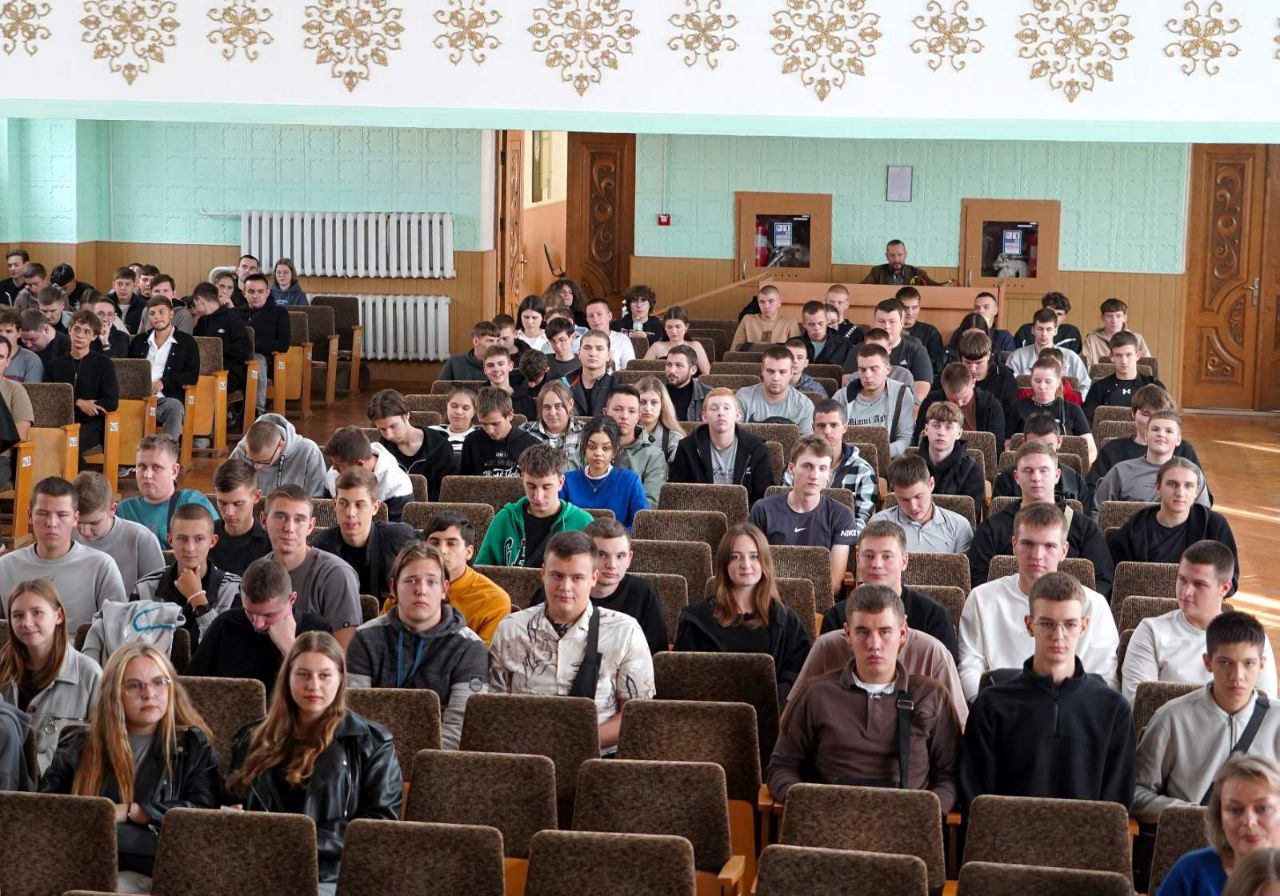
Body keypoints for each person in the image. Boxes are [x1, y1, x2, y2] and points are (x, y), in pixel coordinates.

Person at [227, 632, 402, 892]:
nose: (313, 685)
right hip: (257, 869)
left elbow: (377, 829)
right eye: (303, 674)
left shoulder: (372, 743)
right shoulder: (250, 738)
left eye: (324, 675)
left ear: (340, 679)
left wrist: (289, 841)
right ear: (287, 677)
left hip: (330, 875)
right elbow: (230, 802)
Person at [39, 644, 218, 892]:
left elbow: (205, 815)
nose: (149, 694)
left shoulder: (192, 745)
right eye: (134, 685)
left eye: (159, 682)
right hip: (87, 867)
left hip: (161, 873)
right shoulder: (77, 745)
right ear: (115, 693)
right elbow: (45, 813)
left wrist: (135, 811)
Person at [767, 583, 959, 806]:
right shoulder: (816, 694)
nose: (874, 645)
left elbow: (950, 777)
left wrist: (925, 814)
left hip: (908, 821)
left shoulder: (932, 696)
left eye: (885, 632)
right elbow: (781, 768)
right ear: (848, 634)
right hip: (827, 819)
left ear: (902, 633)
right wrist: (810, 806)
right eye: (863, 632)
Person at [959, 571, 1133, 805]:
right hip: (1007, 829)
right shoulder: (991, 705)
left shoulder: (1113, 709)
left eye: (1069, 624)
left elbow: (1116, 808)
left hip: (1087, 830)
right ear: (1030, 625)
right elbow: (977, 802)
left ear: (1084, 626)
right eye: (1047, 624)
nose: (1058, 636)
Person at [489, 530, 655, 750]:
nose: (565, 587)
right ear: (543, 574)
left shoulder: (626, 631)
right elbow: (493, 707)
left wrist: (575, 744)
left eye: (577, 578)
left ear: (594, 578)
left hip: (598, 757)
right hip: (524, 754)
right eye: (557, 576)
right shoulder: (510, 629)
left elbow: (637, 713)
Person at [958, 504, 1119, 702]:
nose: (1037, 555)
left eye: (1049, 546)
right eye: (1028, 544)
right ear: (1014, 545)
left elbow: (1105, 678)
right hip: (1000, 708)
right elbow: (969, 667)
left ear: (1064, 551)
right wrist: (992, 708)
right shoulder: (982, 598)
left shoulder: (1094, 605)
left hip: (1075, 710)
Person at [1134, 612, 1280, 825]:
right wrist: (1195, 815)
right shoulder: (1172, 719)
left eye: (1248, 663)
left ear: (1262, 664)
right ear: (1208, 662)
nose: (1237, 675)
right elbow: (1136, 793)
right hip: (1191, 836)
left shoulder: (1276, 720)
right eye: (1225, 663)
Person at [346, 543, 487, 750]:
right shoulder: (365, 638)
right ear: (393, 587)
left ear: (444, 589)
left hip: (439, 759)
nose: (421, 590)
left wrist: (428, 764)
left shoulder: (470, 647)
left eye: (431, 582)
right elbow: (354, 713)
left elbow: (460, 726)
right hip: (371, 756)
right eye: (411, 581)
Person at [1124, 540, 1269, 700]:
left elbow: (1264, 705)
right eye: (1182, 579)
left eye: (1199, 584)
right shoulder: (1151, 631)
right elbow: (1138, 705)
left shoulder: (1250, 638)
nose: (1186, 591)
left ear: (1224, 588)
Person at [968, 441, 1114, 593]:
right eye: (1028, 471)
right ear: (1017, 477)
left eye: (1044, 470)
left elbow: (1102, 580)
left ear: (1057, 475)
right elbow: (977, 578)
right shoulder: (992, 528)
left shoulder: (1086, 529)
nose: (1036, 478)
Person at [0, 476, 127, 633]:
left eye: (62, 515)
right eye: (42, 513)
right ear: (30, 516)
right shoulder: (5, 566)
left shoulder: (101, 566)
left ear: (75, 518)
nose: (52, 523)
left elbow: (117, 630)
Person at [0, 579, 102, 773]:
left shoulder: (89, 674)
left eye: (37, 612)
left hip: (61, 785)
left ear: (59, 616)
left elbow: (102, 745)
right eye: (18, 615)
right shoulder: (2, 667)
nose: (26, 623)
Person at [529, 518, 668, 658]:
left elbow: (656, 654)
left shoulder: (643, 592)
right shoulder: (556, 592)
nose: (612, 565)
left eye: (620, 556)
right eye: (601, 555)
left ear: (629, 558)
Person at [185, 557, 331, 689]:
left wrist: (289, 648)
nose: (258, 624)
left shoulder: (318, 631)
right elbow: (190, 687)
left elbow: (323, 693)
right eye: (249, 612)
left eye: (268, 615)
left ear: (291, 599)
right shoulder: (225, 625)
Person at [748, 437, 858, 606]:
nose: (814, 475)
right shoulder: (762, 510)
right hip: (769, 602)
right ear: (791, 468)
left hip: (819, 606)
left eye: (822, 468)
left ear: (829, 475)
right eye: (807, 466)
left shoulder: (842, 515)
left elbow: (834, 584)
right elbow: (752, 566)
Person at [1158, 755, 1280, 895]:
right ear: (1219, 818)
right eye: (1235, 810)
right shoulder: (1191, 872)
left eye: (1262, 808)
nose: (1249, 822)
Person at [1110, 459, 1237, 586]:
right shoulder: (1135, 528)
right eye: (1172, 484)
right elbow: (1115, 580)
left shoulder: (1215, 525)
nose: (1180, 493)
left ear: (1197, 491)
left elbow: (1230, 580)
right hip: (1142, 597)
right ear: (1158, 487)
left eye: (1188, 485)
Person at [133, 503, 242, 649]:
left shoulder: (234, 589)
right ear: (170, 540)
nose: (190, 548)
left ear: (212, 541)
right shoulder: (144, 587)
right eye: (182, 539)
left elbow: (228, 650)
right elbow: (134, 647)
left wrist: (198, 599)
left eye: (199, 539)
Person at [264, 485, 362, 646]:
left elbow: (345, 653)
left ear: (310, 526)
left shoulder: (336, 575)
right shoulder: (259, 571)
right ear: (264, 520)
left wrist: (288, 647)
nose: (289, 528)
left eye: (299, 520)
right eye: (280, 517)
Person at [475, 443, 593, 567]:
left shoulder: (583, 522)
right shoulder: (504, 519)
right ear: (522, 480)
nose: (538, 496)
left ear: (560, 482)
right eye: (531, 486)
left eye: (546, 487)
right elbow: (482, 569)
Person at [313, 467, 417, 603]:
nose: (350, 513)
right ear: (334, 504)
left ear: (375, 507)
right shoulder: (320, 548)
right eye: (343, 504)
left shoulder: (400, 540)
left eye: (359, 505)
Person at [668, 387, 774, 504]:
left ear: (738, 415)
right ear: (704, 417)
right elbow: (678, 495)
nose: (721, 413)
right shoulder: (687, 448)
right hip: (700, 512)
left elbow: (763, 499)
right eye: (714, 408)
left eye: (726, 408)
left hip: (747, 514)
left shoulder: (757, 449)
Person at [1089, 384, 1206, 490]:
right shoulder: (1113, 449)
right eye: (1146, 414)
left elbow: (1201, 492)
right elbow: (1093, 489)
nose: (1152, 421)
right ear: (1133, 414)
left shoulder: (1184, 449)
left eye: (1159, 415)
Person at [421, 511, 511, 645]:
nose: (442, 550)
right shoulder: (406, 588)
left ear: (468, 552)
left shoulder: (493, 599)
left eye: (451, 544)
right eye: (434, 543)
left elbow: (485, 655)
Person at [790, 398, 875, 536]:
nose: (827, 431)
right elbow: (785, 509)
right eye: (821, 425)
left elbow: (863, 519)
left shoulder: (863, 471)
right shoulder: (796, 467)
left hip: (845, 540)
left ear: (845, 427)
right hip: (797, 537)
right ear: (813, 428)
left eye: (833, 425)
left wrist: (840, 540)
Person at [72, 471, 164, 595]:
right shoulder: (65, 536)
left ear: (112, 509)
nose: (85, 532)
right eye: (78, 522)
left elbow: (158, 594)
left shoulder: (141, 539)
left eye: (94, 523)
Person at [116, 434, 219, 543]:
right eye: (142, 466)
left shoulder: (193, 502)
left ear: (174, 471)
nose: (147, 475)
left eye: (156, 467)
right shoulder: (124, 510)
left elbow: (217, 545)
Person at [1095, 411, 1209, 509]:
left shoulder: (1192, 473)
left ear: (1178, 439)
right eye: (1155, 429)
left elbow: (1204, 516)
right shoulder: (1121, 471)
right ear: (1146, 435)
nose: (1161, 434)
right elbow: (1097, 511)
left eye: (1169, 431)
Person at [45, 309, 119, 457]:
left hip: (92, 424)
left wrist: (91, 405)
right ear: (69, 330)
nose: (80, 335)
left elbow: (111, 402)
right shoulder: (55, 365)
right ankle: (85, 472)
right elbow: (48, 399)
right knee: (47, 442)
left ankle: (83, 473)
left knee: (68, 443)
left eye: (87, 332)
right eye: (77, 329)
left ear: (94, 336)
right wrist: (79, 402)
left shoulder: (104, 364)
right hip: (61, 422)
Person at [871, 454, 974, 554]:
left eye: (918, 496)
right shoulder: (879, 523)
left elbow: (964, 566)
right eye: (904, 499)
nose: (913, 507)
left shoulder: (959, 526)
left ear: (931, 484)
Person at [127, 297, 198, 439]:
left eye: (161, 312)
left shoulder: (187, 342)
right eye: (152, 313)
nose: (157, 317)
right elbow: (128, 371)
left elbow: (191, 375)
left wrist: (164, 382)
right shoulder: (139, 340)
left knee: (175, 407)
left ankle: (168, 450)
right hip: (138, 397)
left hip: (164, 399)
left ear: (171, 314)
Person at [560, 416, 648, 530]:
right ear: (584, 448)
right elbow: (558, 522)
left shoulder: (629, 481)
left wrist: (619, 538)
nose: (598, 453)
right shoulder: (568, 481)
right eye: (592, 447)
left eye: (606, 448)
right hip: (575, 540)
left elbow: (641, 525)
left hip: (617, 540)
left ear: (614, 451)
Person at [366, 389, 452, 501]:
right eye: (382, 429)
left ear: (406, 415)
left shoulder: (440, 445)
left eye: (393, 426)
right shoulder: (380, 451)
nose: (389, 435)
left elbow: (447, 492)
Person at [1009, 355, 1096, 464]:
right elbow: (1008, 445)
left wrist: (1080, 467)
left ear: (1058, 382)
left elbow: (1091, 449)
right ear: (1031, 381)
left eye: (1048, 381)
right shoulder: (1017, 407)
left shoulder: (1073, 409)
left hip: (1064, 465)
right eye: (1037, 381)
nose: (1042, 386)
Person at [992, 414, 1092, 507]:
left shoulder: (1076, 481)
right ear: (1024, 443)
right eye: (1035, 445)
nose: (1042, 452)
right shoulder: (1005, 481)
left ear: (1059, 442)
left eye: (1048, 446)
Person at [322, 426, 413, 521]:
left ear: (359, 464)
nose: (333, 468)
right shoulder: (333, 475)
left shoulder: (398, 486)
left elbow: (397, 528)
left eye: (339, 466)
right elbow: (328, 518)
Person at [843, 342, 915, 458]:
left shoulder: (901, 393)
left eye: (874, 369)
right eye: (862, 370)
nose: (868, 375)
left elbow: (906, 438)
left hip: (888, 460)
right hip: (848, 459)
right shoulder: (842, 395)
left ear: (887, 369)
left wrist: (876, 454)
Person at [603, 384, 668, 507]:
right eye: (618, 409)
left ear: (638, 417)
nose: (624, 416)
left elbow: (650, 504)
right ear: (605, 413)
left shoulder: (654, 456)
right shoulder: (589, 447)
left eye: (631, 411)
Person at [916, 362, 1006, 448]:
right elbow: (920, 440)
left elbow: (995, 446)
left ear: (973, 383)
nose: (959, 404)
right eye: (953, 400)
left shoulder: (991, 406)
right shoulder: (931, 403)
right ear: (943, 387)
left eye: (964, 398)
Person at [917, 400, 985, 514]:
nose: (941, 432)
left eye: (948, 427)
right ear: (926, 430)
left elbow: (969, 515)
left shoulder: (972, 471)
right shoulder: (909, 466)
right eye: (936, 426)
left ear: (959, 433)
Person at [237, 273, 291, 414]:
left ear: (267, 293)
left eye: (260, 292)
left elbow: (283, 344)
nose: (255, 296)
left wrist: (254, 346)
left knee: (257, 360)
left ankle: (257, 411)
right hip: (236, 357)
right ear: (244, 293)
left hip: (265, 360)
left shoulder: (279, 313)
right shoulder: (235, 313)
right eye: (251, 292)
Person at [459, 386, 541, 478]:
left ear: (510, 415)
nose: (490, 430)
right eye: (484, 424)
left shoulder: (532, 445)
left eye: (495, 424)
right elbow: (464, 482)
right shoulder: (472, 441)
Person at [209, 458, 272, 575]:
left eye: (238, 504)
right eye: (222, 503)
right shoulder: (204, 536)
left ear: (257, 497)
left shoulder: (269, 543)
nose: (229, 512)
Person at [1007, 308, 1092, 396]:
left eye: (1048, 329)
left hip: (1064, 404)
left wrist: (1076, 402)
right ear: (1032, 330)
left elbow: (1086, 385)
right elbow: (1007, 386)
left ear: (1055, 331)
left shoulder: (1071, 357)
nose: (1044, 334)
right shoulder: (1016, 357)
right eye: (1040, 329)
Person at [1083, 329, 1163, 421]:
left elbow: (1167, 418)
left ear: (1138, 355)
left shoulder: (1154, 386)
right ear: (1111, 357)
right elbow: (1086, 422)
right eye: (1118, 355)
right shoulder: (1098, 388)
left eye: (1128, 355)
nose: (1124, 361)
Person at [735, 345, 815, 435]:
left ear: (792, 372)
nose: (776, 378)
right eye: (770, 371)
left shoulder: (804, 406)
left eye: (782, 372)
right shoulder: (743, 397)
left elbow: (805, 442)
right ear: (762, 370)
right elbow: (734, 436)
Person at [191, 283, 252, 397]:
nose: (195, 309)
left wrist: (217, 348)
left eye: (195, 304)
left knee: (203, 386)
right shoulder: (201, 322)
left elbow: (245, 348)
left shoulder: (232, 318)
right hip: (203, 372)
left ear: (199, 300)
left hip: (228, 372)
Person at [958, 330, 1019, 428]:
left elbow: (1011, 415)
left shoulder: (1005, 376)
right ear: (961, 358)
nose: (972, 369)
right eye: (967, 362)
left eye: (978, 363)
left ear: (988, 355)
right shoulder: (952, 375)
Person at [520, 379, 585, 462]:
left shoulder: (585, 432)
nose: (552, 413)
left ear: (570, 404)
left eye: (558, 406)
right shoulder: (525, 431)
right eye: (547, 407)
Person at [1081, 297, 1152, 366]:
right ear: (1102, 318)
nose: (1114, 320)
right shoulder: (1092, 340)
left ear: (1125, 318)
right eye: (1109, 316)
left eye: (1118, 316)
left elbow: (1149, 366)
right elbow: (1083, 366)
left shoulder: (1137, 338)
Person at [644, 306, 712, 375]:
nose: (674, 331)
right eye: (669, 327)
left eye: (678, 327)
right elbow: (643, 372)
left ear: (686, 327)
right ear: (665, 328)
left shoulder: (695, 346)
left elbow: (707, 375)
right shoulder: (656, 347)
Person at [896, 286, 946, 379]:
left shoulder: (930, 332)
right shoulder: (889, 331)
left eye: (914, 308)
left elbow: (937, 367)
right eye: (905, 308)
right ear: (897, 308)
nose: (910, 312)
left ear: (919, 308)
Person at [636, 374, 685, 463]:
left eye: (654, 402)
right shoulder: (623, 435)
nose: (648, 408)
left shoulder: (674, 439)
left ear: (662, 405)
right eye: (642, 402)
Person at [798, 300, 857, 374]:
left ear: (827, 321)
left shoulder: (844, 345)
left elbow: (852, 374)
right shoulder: (794, 345)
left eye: (820, 323)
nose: (817, 328)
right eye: (811, 324)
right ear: (803, 324)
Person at [1013, 293, 1083, 354]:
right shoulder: (1024, 331)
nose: (1054, 317)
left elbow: (1075, 359)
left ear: (1064, 317)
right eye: (1050, 312)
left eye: (1059, 314)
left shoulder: (1071, 333)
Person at [566, 329, 614, 416]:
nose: (592, 353)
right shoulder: (563, 384)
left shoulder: (617, 388)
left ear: (608, 355)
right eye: (587, 348)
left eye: (599, 349)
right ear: (579, 353)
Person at [428, 384, 478, 463]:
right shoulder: (431, 432)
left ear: (474, 411)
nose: (459, 412)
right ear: (447, 406)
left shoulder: (481, 436)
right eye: (454, 406)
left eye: (465, 408)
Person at [659, 346, 711, 422]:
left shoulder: (708, 395)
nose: (672, 370)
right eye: (669, 364)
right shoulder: (656, 392)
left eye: (679, 365)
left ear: (693, 370)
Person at [583, 297, 636, 371]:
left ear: (609, 316)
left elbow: (630, 371)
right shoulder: (579, 341)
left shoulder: (622, 340)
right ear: (587, 320)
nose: (595, 319)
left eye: (599, 314)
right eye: (591, 316)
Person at [861, 239, 941, 286]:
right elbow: (860, 288)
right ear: (886, 256)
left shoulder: (918, 273)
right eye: (892, 255)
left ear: (905, 255)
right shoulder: (877, 272)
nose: (896, 259)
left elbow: (937, 289)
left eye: (900, 255)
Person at [0, 307, 45, 382]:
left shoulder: (31, 360)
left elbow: (32, 389)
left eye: (9, 331)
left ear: (19, 332)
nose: (3, 335)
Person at [543, 317, 582, 382]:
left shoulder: (583, 363)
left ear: (573, 337)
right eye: (553, 341)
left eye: (562, 340)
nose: (557, 346)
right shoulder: (543, 362)